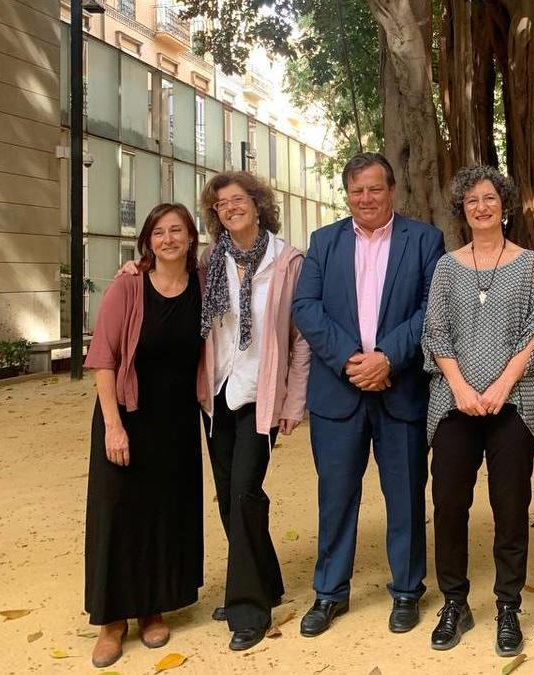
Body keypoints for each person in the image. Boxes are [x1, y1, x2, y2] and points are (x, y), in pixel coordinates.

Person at [292, 153, 445, 638]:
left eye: (375, 189)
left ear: (392, 191)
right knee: (335, 497)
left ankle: (406, 591)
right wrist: (351, 361)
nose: (366, 199)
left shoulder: (423, 240)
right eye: (357, 190)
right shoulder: (323, 241)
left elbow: (431, 307)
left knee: (404, 496)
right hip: (339, 392)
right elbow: (306, 307)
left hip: (400, 391)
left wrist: (387, 358)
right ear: (348, 194)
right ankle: (329, 593)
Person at [421, 166, 534, 656]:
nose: (481, 206)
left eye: (490, 197)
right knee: (450, 504)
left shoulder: (529, 265)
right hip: (454, 403)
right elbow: (435, 332)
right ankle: (455, 600)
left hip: (513, 403)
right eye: (472, 199)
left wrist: (501, 384)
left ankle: (507, 605)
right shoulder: (446, 267)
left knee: (511, 506)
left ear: (504, 204)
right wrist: (460, 386)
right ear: (462, 208)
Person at [84, 203, 206, 668]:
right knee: (117, 513)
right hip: (128, 415)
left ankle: (152, 607)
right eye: (159, 232)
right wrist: (113, 425)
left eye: (177, 230)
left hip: (175, 422)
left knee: (162, 514)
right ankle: (111, 620)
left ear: (191, 238)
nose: (168, 238)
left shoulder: (201, 282)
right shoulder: (129, 283)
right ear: (147, 241)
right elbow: (103, 358)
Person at [198, 171, 310, 651]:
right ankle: (266, 578)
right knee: (229, 496)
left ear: (258, 204)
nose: (230, 208)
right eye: (221, 204)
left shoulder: (287, 261)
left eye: (237, 200)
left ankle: (248, 608)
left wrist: (294, 400)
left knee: (244, 491)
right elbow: (159, 271)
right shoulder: (209, 262)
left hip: (260, 395)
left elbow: (299, 339)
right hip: (217, 392)